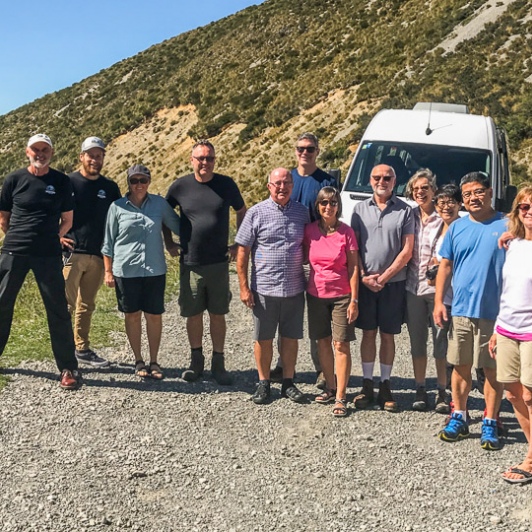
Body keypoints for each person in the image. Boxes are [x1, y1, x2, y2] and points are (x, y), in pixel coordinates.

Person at [0, 134, 80, 389]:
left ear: (51, 153)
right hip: (14, 252)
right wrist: (17, 237)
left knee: (57, 309)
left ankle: (68, 368)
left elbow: (67, 219)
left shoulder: (61, 181)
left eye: (45, 149)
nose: (40, 153)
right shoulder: (14, 179)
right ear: (27, 152)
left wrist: (52, 237)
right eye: (36, 149)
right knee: (2, 304)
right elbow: (3, 217)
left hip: (47, 254)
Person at [434, 171, 506, 450]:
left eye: (478, 192)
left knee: (491, 369)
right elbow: (446, 266)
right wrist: (440, 302)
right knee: (460, 365)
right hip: (462, 310)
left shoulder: (508, 224)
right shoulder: (457, 228)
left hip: (495, 312)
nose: (473, 198)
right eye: (467, 194)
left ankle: (490, 420)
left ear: (489, 192)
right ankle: (460, 416)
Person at [164, 140, 246, 385]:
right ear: (192, 160)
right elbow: (163, 214)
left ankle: (218, 364)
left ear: (214, 160)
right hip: (191, 262)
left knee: (218, 314)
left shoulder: (226, 184)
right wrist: (169, 243)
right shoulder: (180, 187)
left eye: (209, 158)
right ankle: (196, 362)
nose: (205, 163)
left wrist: (238, 243)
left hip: (219, 263)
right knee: (194, 313)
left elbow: (242, 211)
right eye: (200, 158)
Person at [236, 168, 309, 405]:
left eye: (287, 183)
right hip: (265, 289)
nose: (282, 187)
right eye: (277, 183)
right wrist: (244, 287)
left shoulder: (302, 213)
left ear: (292, 186)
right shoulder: (256, 213)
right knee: (263, 338)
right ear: (269, 186)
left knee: (290, 338)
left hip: (295, 288)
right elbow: (243, 252)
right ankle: (263, 382)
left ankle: (288, 382)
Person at [271, 132, 339, 388]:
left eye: (310, 149)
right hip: (287, 258)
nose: (305, 153)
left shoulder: (326, 180)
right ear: (295, 150)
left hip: (315, 257)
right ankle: (282, 365)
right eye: (301, 148)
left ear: (317, 151)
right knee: (285, 315)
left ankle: (322, 369)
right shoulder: (285, 178)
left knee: (316, 315)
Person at [102, 164, 180, 380]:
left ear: (149, 181)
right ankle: (138, 360)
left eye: (143, 180)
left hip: (154, 269)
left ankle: (154, 361)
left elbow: (177, 225)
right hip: (126, 271)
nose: (139, 185)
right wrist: (108, 271)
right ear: (128, 183)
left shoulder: (159, 204)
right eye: (134, 180)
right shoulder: (117, 207)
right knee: (132, 315)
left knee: (154, 316)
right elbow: (108, 242)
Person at [350, 164, 414, 412]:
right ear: (370, 180)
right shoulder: (358, 209)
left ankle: (385, 384)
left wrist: (385, 277)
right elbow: (353, 248)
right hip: (366, 284)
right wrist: (364, 277)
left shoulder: (405, 211)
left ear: (394, 180)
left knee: (387, 335)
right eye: (377, 177)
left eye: (388, 177)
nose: (382, 181)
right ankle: (367, 383)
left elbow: (407, 250)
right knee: (367, 333)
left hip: (393, 284)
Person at [62, 137, 121, 368]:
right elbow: (51, 211)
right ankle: (65, 351)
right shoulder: (67, 183)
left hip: (98, 254)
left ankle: (82, 349)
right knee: (66, 304)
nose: (95, 160)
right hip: (71, 253)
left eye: (99, 156)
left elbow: (118, 221)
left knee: (87, 304)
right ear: (81, 157)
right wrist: (56, 236)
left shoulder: (110, 188)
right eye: (91, 155)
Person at [488, 185, 532, 482]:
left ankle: (530, 459)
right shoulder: (512, 243)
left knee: (530, 394)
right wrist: (494, 331)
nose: (529, 212)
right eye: (524, 207)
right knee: (513, 393)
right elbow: (507, 291)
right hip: (505, 329)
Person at [304, 187, 359, 417]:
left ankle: (341, 396)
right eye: (324, 203)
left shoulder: (347, 232)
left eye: (333, 202)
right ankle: (330, 385)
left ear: (338, 205)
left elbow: (355, 267)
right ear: (318, 205)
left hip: (341, 295)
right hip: (316, 294)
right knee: (322, 342)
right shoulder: (309, 231)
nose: (329, 207)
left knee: (341, 344)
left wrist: (354, 300)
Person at [404, 169, 449, 412]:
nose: (420, 192)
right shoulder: (408, 215)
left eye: (425, 188)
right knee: (417, 342)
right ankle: (420, 388)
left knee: (440, 342)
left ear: (434, 190)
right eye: (416, 188)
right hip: (412, 289)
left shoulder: (444, 219)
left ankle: (442, 390)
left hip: (437, 291)